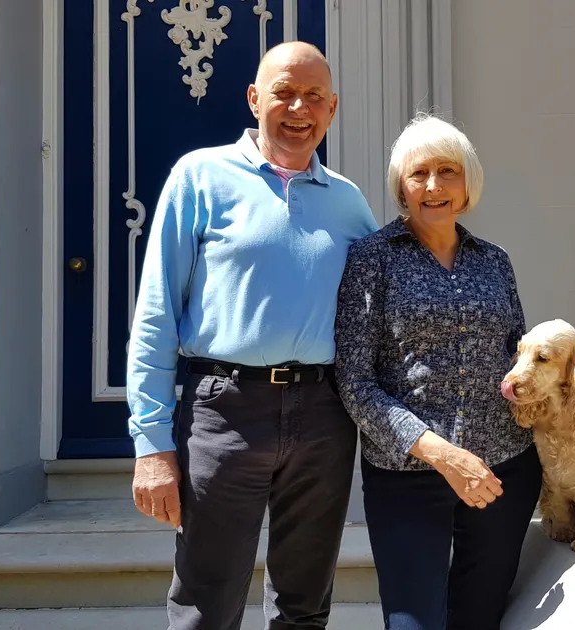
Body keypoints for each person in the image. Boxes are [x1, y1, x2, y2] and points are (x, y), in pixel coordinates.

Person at [125, 41, 380, 630]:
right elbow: (156, 317)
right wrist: (152, 447)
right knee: (206, 601)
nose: (298, 107)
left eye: (314, 96)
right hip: (225, 410)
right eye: (284, 92)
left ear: (332, 108)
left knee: (305, 601)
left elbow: (396, 304)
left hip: (323, 415)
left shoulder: (346, 201)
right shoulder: (200, 177)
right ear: (253, 98)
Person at [334, 113, 575, 630]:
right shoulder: (371, 260)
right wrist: (440, 453)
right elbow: (355, 383)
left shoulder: (494, 262)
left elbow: (524, 357)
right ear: (402, 185)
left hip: (504, 470)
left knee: (479, 618)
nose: (434, 186)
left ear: (468, 184)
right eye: (419, 174)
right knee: (413, 622)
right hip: (410, 475)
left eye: (448, 171)